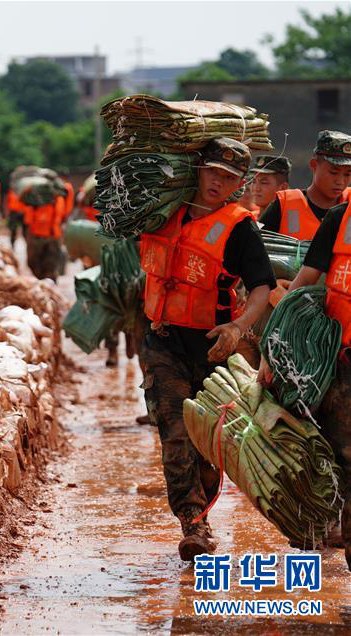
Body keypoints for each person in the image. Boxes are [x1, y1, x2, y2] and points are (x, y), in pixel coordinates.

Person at [138, 138, 276, 561]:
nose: (219, 181)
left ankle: (202, 505)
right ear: (198, 168)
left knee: (208, 442)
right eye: (214, 171)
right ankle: (193, 521)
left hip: (214, 348)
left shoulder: (239, 227)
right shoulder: (163, 212)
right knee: (175, 434)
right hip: (163, 341)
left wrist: (238, 328)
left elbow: (261, 288)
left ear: (238, 183)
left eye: (229, 177)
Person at [261, 140, 351, 570]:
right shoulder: (340, 219)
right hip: (339, 360)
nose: (341, 180)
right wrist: (269, 351)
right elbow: (303, 283)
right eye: (336, 170)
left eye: (347, 173)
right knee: (344, 459)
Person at [258, 130, 351, 239]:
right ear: (314, 165)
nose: (340, 181)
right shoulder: (283, 205)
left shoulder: (349, 204)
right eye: (333, 173)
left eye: (347, 174)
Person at [24, 195, 64, 281]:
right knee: (36, 264)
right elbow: (29, 221)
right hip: (39, 236)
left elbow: (28, 221)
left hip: (50, 237)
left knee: (50, 267)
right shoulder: (34, 201)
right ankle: (44, 282)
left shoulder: (57, 200)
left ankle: (49, 285)